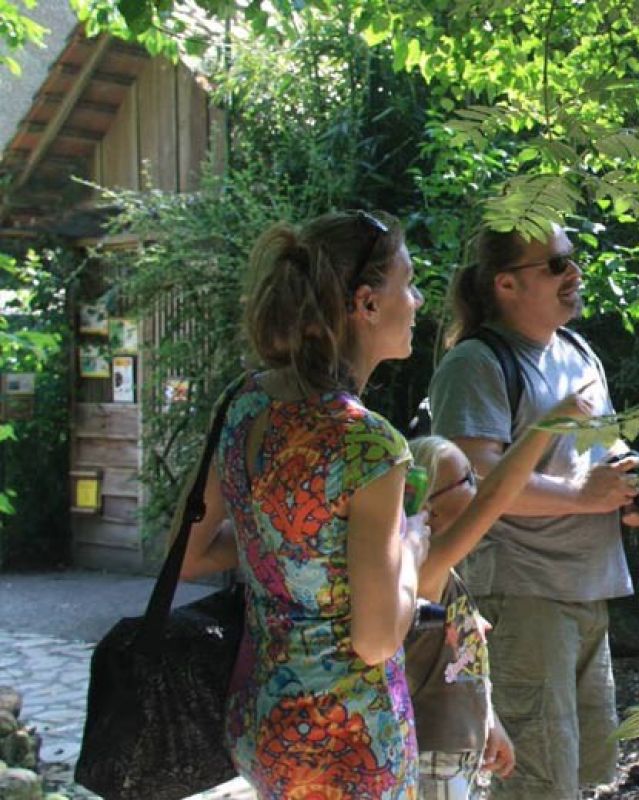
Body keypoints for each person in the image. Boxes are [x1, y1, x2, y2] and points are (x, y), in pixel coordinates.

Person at [181, 210, 425, 798]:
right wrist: (415, 546)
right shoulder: (368, 446)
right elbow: (375, 639)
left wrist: (288, 545)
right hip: (349, 746)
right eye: (408, 282)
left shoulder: (243, 403)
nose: (417, 300)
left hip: (262, 723)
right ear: (366, 304)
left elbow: (186, 555)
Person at [427, 223, 639, 799]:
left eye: (571, 260)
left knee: (579, 779)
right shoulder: (476, 363)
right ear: (506, 283)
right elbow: (473, 485)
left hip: (586, 590)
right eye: (555, 265)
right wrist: (585, 496)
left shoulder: (578, 351)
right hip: (523, 597)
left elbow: (603, 451)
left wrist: (629, 492)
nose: (575, 274)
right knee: (533, 784)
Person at [405, 395, 593, 799]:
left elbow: (459, 665)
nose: (478, 488)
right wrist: (550, 423)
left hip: (458, 748)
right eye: (467, 479)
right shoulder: (425, 568)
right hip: (434, 754)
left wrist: (489, 720)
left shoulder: (445, 573)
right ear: (430, 509)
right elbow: (496, 497)